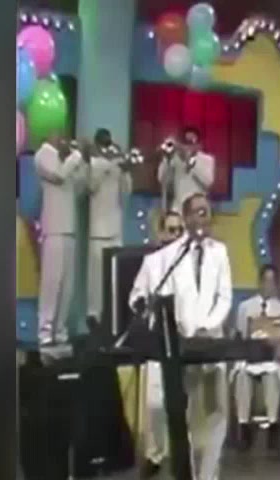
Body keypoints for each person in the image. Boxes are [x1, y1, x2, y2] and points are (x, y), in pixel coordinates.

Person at [129, 193, 233, 480]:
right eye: (198, 212)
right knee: (191, 420)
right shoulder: (170, 257)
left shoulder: (220, 252)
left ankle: (209, 476)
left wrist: (208, 326)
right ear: (186, 218)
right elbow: (147, 298)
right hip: (184, 349)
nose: (204, 217)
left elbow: (224, 296)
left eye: (207, 211)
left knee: (217, 416)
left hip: (212, 344)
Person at [129, 211, 184, 479]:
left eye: (179, 230)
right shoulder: (151, 263)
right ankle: (154, 454)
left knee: (182, 403)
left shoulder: (189, 262)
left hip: (183, 338)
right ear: (161, 233)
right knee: (154, 403)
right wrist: (143, 305)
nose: (175, 236)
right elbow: (136, 295)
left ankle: (181, 456)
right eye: (171, 230)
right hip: (157, 338)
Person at [35, 133, 88, 349]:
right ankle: (45, 331)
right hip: (54, 227)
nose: (63, 139)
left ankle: (60, 329)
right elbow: (59, 176)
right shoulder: (43, 155)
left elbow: (80, 189)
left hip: (69, 228)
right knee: (52, 282)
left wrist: (83, 163)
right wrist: (75, 157)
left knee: (67, 285)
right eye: (59, 135)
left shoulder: (67, 160)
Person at [232, 264, 280, 451]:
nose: (268, 285)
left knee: (272, 377)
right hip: (251, 357)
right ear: (259, 282)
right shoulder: (245, 307)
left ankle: (273, 425)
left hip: (273, 359)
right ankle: (243, 426)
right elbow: (240, 335)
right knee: (242, 376)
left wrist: (279, 345)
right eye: (265, 281)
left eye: (272, 281)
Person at [86, 128, 132, 323]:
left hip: (115, 228)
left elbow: (127, 190)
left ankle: (114, 316)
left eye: (108, 142)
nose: (107, 147)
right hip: (98, 230)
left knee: (116, 275)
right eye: (103, 143)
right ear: (97, 145)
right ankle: (94, 316)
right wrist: (108, 163)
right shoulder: (93, 163)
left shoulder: (117, 164)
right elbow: (91, 186)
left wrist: (125, 170)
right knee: (96, 279)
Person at [158, 126, 215, 214]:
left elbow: (208, 182)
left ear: (199, 145)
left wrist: (189, 161)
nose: (188, 146)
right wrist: (167, 159)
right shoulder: (175, 159)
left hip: (197, 209)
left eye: (191, 142)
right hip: (177, 210)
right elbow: (162, 180)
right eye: (185, 142)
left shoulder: (207, 159)